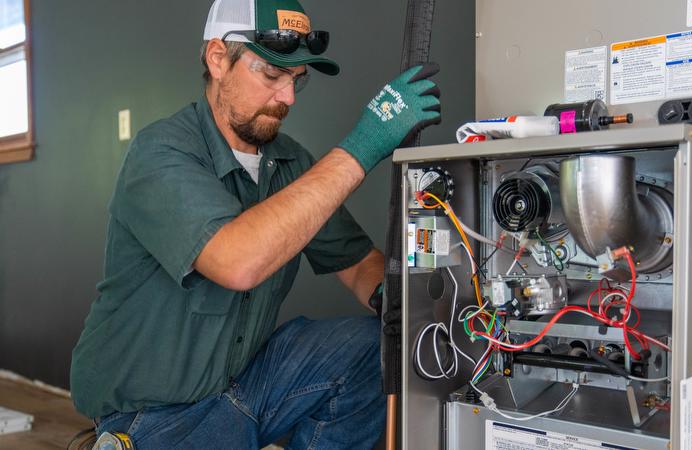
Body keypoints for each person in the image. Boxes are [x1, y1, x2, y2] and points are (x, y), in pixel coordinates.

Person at [69, 0, 441, 448]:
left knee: (369, 349)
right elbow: (237, 261)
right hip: (154, 417)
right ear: (218, 59)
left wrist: (394, 304)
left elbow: (360, 263)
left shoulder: (289, 162)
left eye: (296, 81)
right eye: (271, 74)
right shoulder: (161, 152)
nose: (286, 97)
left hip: (244, 389)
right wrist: (365, 143)